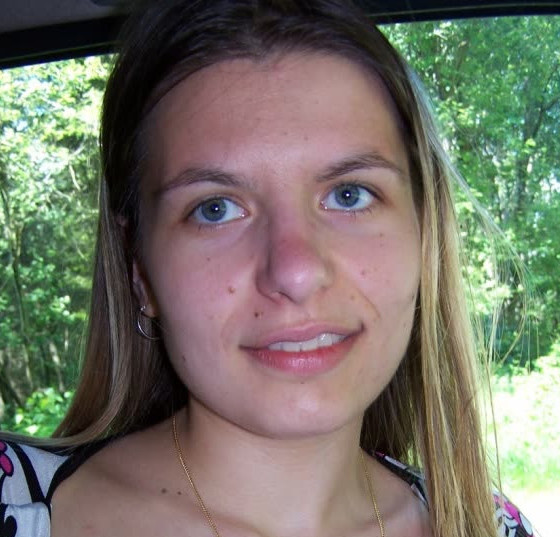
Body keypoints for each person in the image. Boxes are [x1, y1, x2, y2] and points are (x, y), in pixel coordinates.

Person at [0, 1, 536, 536]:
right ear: (138, 268)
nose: (296, 272)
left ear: (423, 233)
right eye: (215, 208)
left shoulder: (491, 526)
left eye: (349, 195)